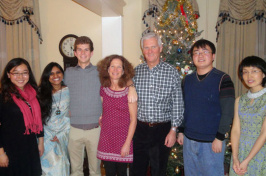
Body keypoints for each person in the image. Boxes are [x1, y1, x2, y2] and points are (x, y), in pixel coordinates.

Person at [65, 36, 137, 176]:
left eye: (86, 49)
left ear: (91, 52)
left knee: (95, 170)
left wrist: (131, 86)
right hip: (73, 129)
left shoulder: (100, 73)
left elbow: (120, 74)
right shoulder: (68, 73)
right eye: (79, 49)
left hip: (96, 130)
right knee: (75, 170)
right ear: (75, 53)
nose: (83, 53)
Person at [177, 39, 235, 176]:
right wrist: (181, 131)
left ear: (213, 56)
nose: (200, 55)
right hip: (189, 140)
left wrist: (220, 137)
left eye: (205, 52)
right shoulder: (187, 80)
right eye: (196, 53)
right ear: (192, 57)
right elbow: (183, 107)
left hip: (212, 141)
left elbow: (228, 111)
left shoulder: (223, 79)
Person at [132, 32, 184, 176]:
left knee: (158, 170)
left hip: (162, 130)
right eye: (146, 47)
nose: (150, 51)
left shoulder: (171, 72)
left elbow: (178, 104)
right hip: (140, 129)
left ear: (160, 48)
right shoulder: (136, 72)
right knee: (137, 169)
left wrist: (173, 130)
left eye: (153, 47)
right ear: (143, 50)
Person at [0, 58, 44, 176]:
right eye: (16, 73)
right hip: (10, 148)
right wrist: (1, 153)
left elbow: (38, 120)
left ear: (29, 74)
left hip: (30, 146)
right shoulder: (3, 96)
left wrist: (40, 142)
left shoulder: (34, 94)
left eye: (24, 72)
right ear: (9, 75)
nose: (21, 76)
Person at [96, 54, 137, 176]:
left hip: (123, 140)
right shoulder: (103, 89)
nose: (115, 70)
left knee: (122, 173)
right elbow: (105, 110)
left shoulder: (130, 92)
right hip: (106, 139)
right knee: (109, 173)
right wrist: (102, 117)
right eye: (112, 66)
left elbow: (133, 120)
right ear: (107, 69)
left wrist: (127, 144)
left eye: (119, 67)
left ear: (124, 71)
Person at [229, 56, 266, 176]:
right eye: (245, 72)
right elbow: (235, 130)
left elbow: (264, 133)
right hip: (240, 152)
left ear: (264, 74)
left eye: (254, 71)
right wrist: (235, 157)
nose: (249, 76)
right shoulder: (239, 100)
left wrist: (247, 160)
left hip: (261, 152)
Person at [38, 62, 70, 175]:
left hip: (62, 135)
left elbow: (71, 116)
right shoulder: (40, 94)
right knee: (45, 167)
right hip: (46, 137)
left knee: (60, 166)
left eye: (58, 72)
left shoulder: (69, 91)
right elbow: (38, 118)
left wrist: (62, 134)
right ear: (47, 77)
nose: (55, 76)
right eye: (51, 74)